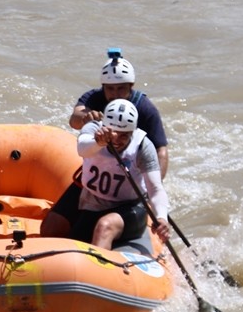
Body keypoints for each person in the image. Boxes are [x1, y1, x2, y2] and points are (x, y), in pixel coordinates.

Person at [40, 51, 170, 238]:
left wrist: (152, 189)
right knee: (51, 226)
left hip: (129, 182)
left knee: (105, 226)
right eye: (110, 89)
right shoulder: (94, 107)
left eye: (121, 89)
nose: (115, 94)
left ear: (131, 86)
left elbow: (161, 152)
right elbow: (77, 124)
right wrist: (91, 125)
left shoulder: (145, 113)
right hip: (97, 178)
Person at [72, 99, 171, 251]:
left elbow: (155, 188)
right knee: (53, 227)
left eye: (124, 135)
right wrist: (98, 143)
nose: (117, 139)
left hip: (130, 208)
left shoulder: (143, 146)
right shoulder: (93, 129)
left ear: (132, 132)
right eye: (113, 133)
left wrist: (162, 217)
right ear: (105, 127)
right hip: (93, 202)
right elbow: (82, 149)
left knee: (105, 225)